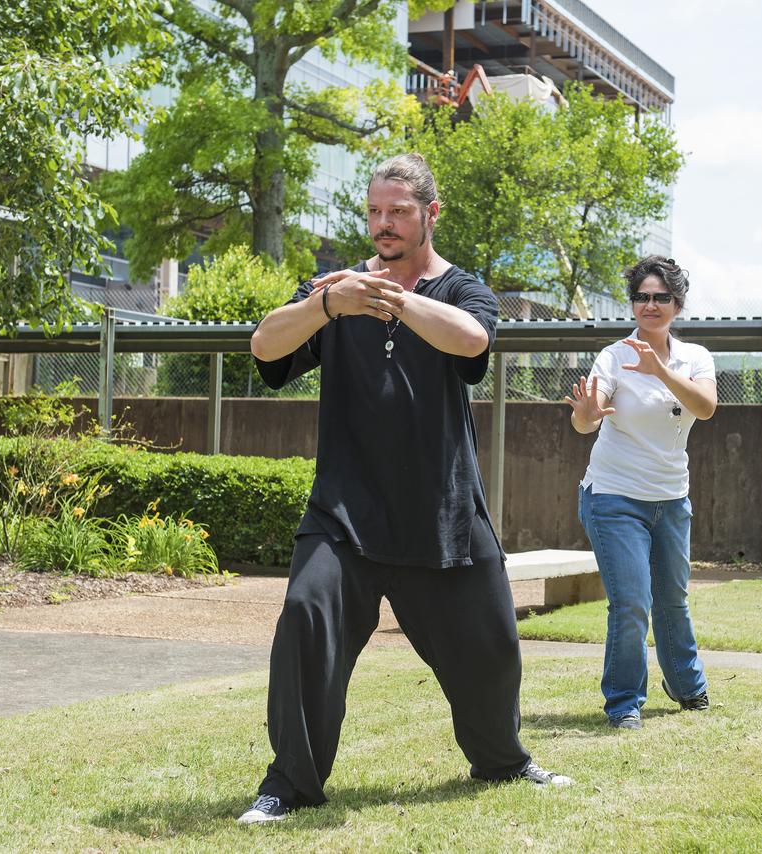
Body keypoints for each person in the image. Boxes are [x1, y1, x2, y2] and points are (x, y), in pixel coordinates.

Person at [239, 153, 571, 825]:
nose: (383, 225)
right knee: (306, 616)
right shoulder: (335, 292)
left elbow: (473, 341)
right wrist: (327, 303)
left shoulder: (460, 290)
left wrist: (396, 300)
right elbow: (264, 347)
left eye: (398, 212)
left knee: (493, 644)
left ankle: (502, 760)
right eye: (374, 212)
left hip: (441, 509)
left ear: (430, 214)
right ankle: (290, 783)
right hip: (345, 513)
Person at [564, 255, 718, 730]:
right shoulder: (613, 356)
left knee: (672, 599)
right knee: (632, 601)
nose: (650, 305)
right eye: (641, 297)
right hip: (613, 497)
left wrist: (661, 372)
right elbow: (585, 419)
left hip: (672, 499)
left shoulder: (696, 357)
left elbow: (706, 407)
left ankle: (687, 686)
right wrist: (587, 413)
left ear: (677, 304)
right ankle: (624, 701)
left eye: (660, 297)